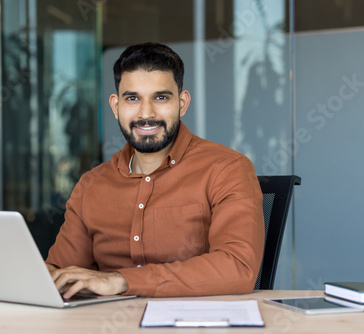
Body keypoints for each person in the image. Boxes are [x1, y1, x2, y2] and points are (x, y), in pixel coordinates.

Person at [45, 42, 264, 298]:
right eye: (132, 98)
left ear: (182, 103)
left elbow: (237, 268)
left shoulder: (227, 169)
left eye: (161, 98)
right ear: (116, 107)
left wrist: (121, 280)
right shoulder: (92, 185)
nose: (146, 113)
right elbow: (62, 271)